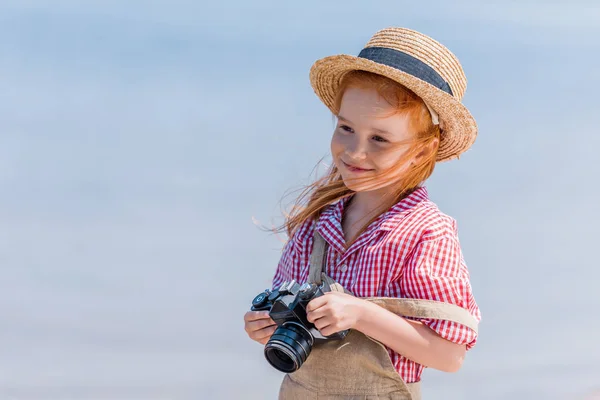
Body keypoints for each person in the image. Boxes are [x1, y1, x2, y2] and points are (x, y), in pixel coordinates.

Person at [244, 27, 481, 400]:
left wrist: (361, 314)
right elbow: (284, 314)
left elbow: (450, 355)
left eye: (379, 139)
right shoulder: (315, 224)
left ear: (422, 150)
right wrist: (266, 327)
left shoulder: (425, 231)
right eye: (346, 128)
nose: (354, 152)